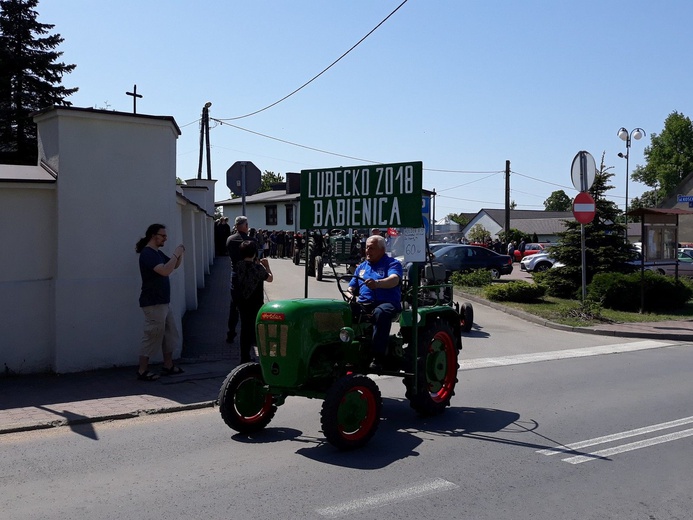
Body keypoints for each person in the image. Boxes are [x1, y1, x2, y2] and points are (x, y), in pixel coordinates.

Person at [135, 223, 185, 381]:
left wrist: (179, 254)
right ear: (153, 236)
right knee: (152, 336)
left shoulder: (157, 253)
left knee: (170, 334)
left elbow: (173, 265)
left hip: (163, 302)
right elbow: (164, 271)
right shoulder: (148, 254)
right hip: (153, 303)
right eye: (162, 235)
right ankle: (142, 370)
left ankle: (168, 365)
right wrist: (176, 255)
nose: (165, 238)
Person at [346, 235, 402, 371]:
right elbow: (351, 287)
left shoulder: (392, 263)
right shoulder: (362, 267)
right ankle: (347, 351)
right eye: (366, 248)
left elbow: (394, 279)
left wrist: (378, 284)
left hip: (387, 302)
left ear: (382, 250)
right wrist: (350, 294)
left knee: (380, 313)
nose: (367, 251)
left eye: (371, 248)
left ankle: (378, 357)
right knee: (344, 311)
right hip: (365, 303)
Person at [234, 240, 273, 363]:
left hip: (242, 302)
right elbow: (270, 278)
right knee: (257, 328)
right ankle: (262, 355)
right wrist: (267, 266)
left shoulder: (238, 265)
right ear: (254, 253)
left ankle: (244, 357)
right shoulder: (258, 268)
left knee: (244, 328)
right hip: (256, 303)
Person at [226, 215, 251, 343]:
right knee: (248, 308)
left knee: (234, 307)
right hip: (248, 277)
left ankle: (231, 333)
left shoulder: (230, 240)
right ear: (245, 226)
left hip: (235, 276)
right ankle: (250, 336)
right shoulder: (250, 241)